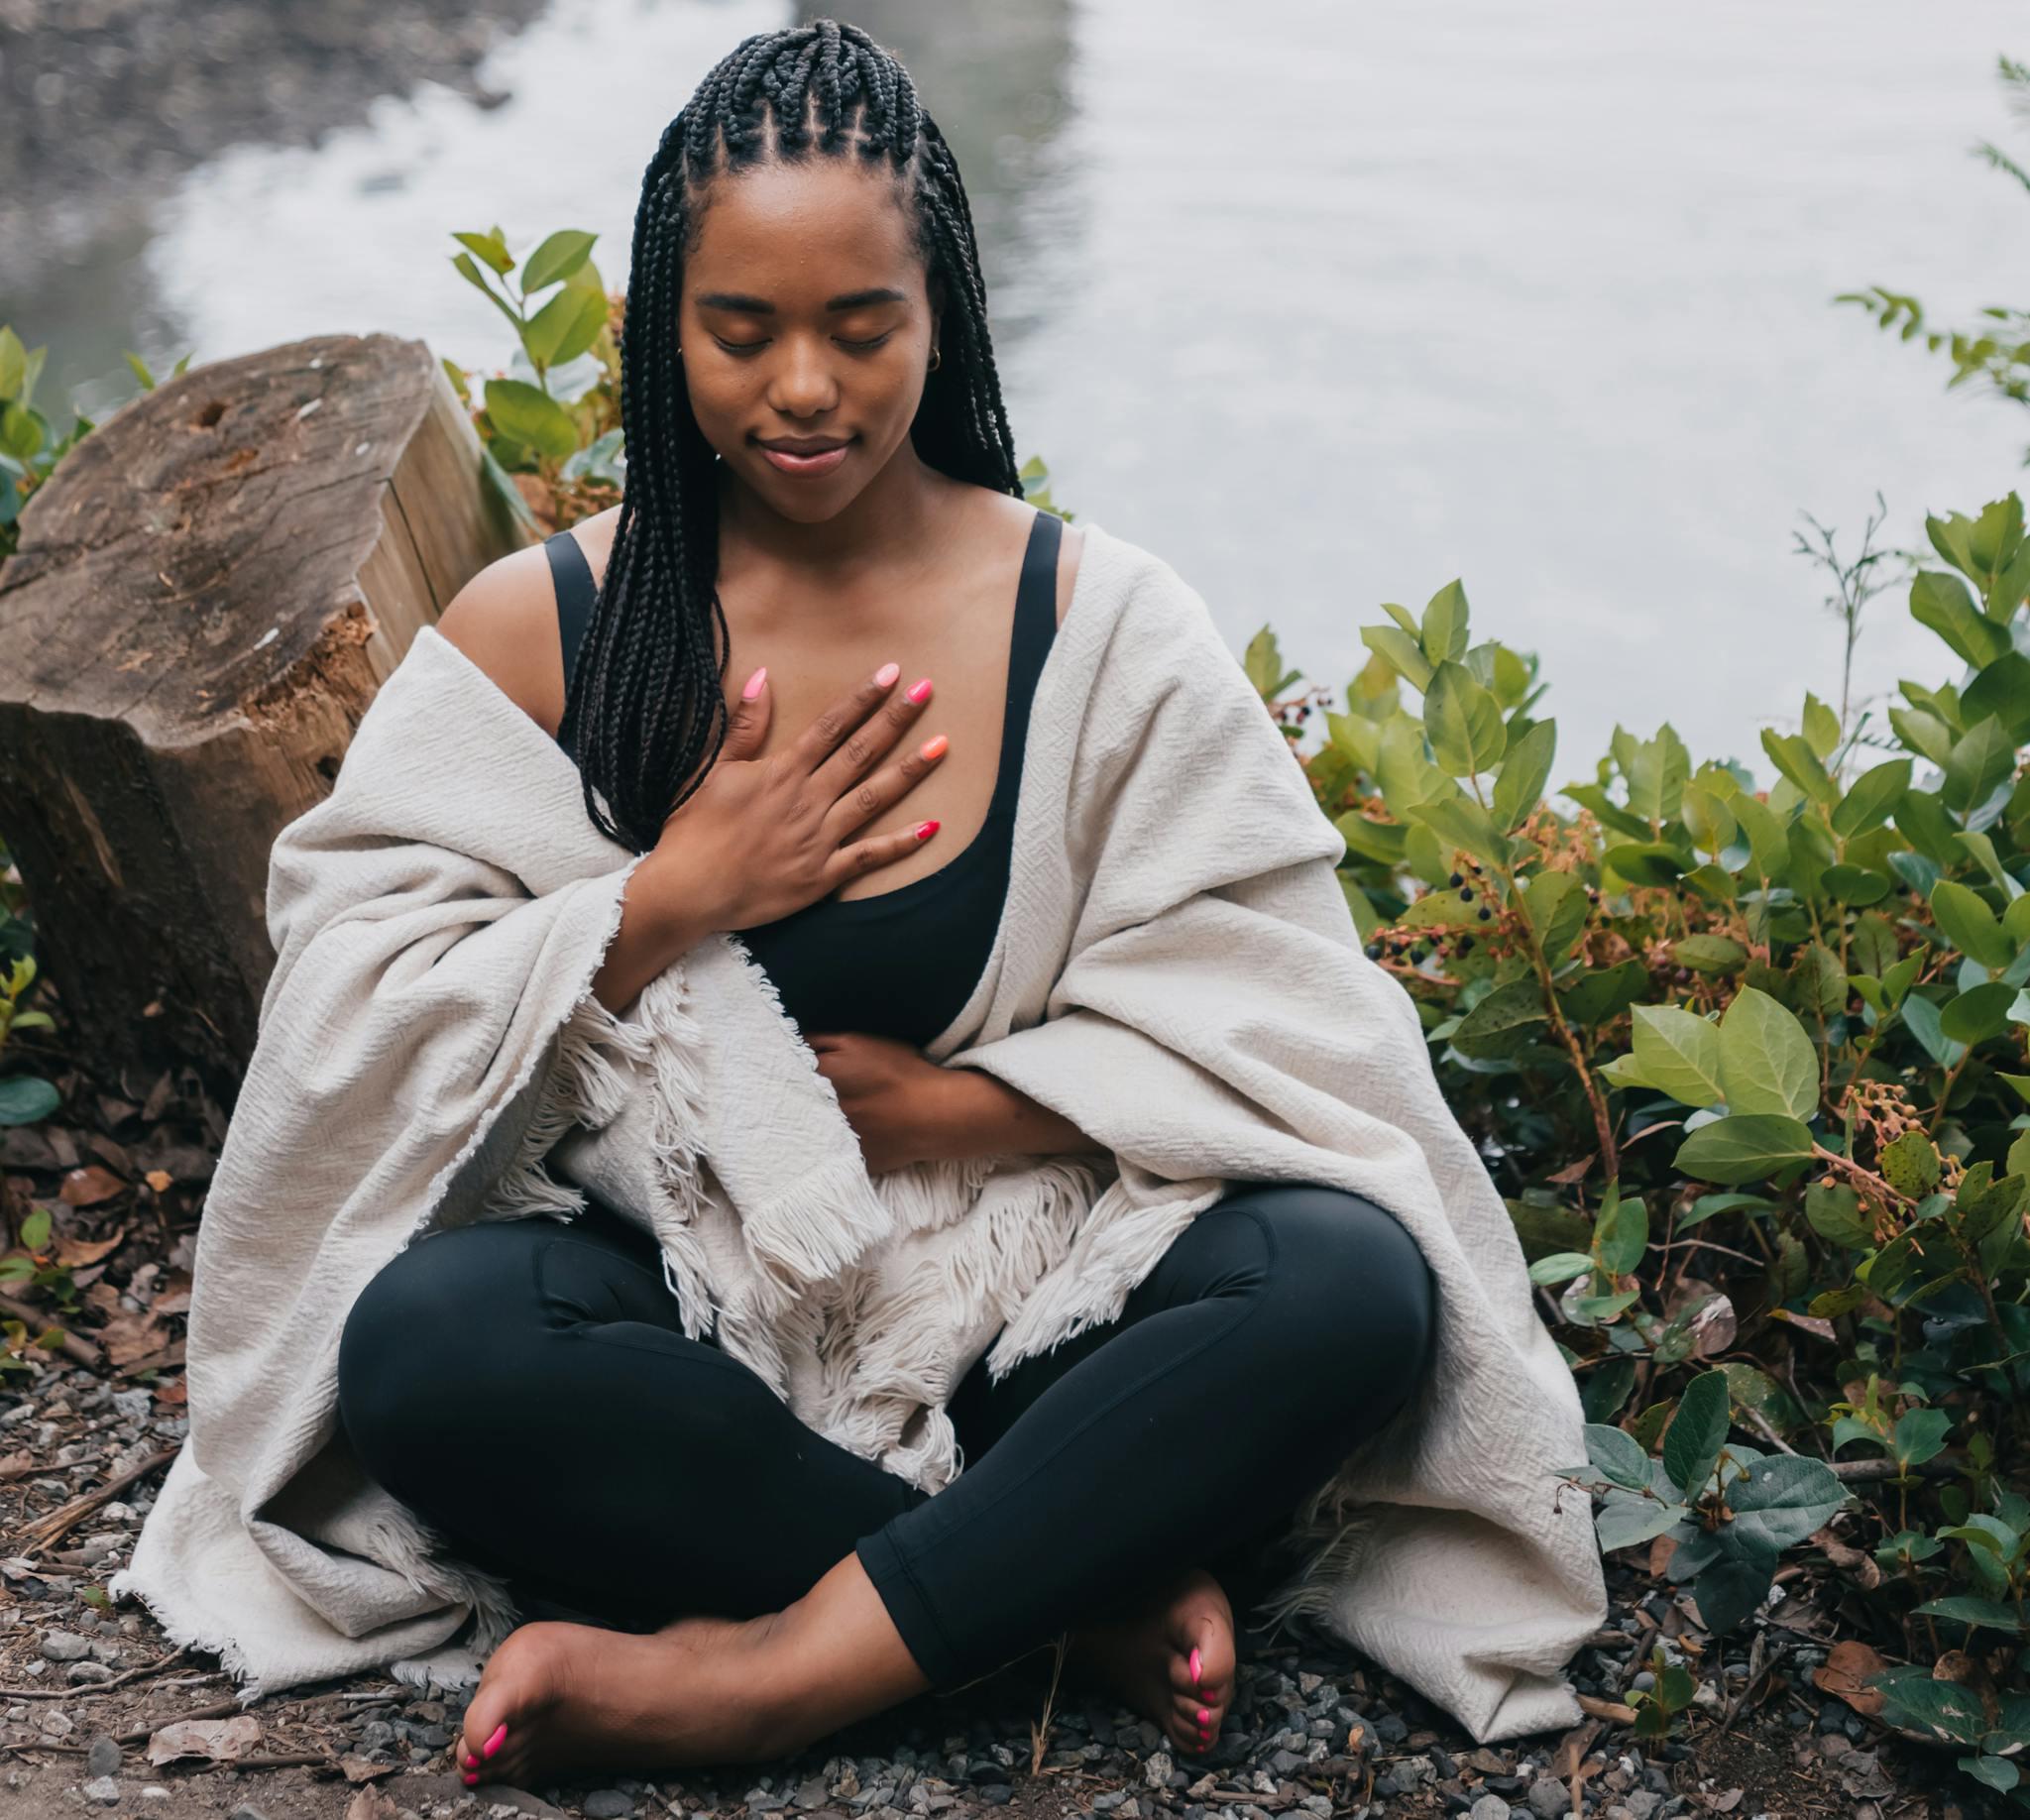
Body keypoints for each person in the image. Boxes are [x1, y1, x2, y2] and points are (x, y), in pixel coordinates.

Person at [329, 18, 1437, 1796]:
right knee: (428, 1350)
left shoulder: (1098, 624)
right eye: (740, 329)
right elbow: (359, 1024)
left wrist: (977, 1108)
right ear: (654, 325)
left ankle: (768, 1676)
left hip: (1024, 1312)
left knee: (1350, 1283)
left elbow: (1288, 1014)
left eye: (863, 327)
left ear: (947, 316)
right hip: (693, 1316)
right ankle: (1065, 1591)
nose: (805, 393)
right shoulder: (543, 629)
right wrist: (680, 894)